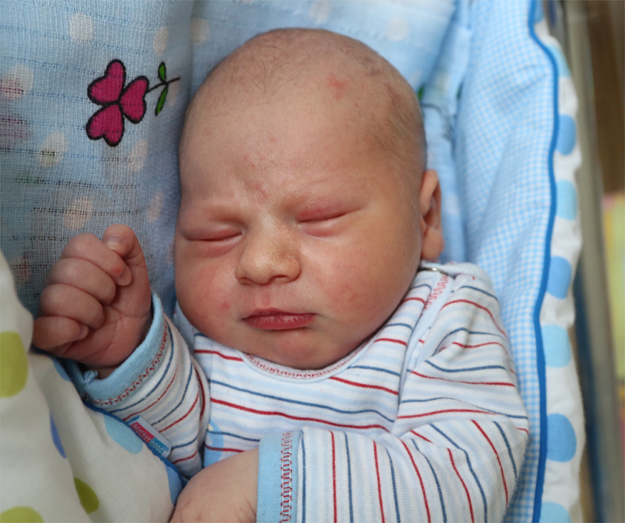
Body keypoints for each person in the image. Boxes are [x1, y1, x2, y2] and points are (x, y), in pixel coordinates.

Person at [33, 28, 528, 523]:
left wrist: (266, 486)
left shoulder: (441, 318)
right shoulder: (213, 336)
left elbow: (467, 473)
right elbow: (178, 446)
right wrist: (129, 355)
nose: (259, 264)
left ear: (426, 218)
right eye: (217, 234)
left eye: (318, 218)